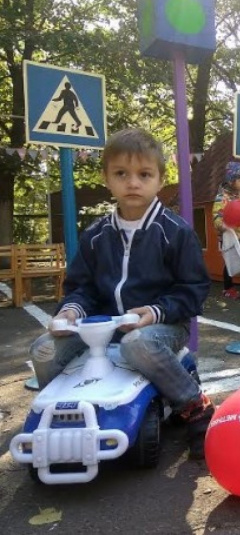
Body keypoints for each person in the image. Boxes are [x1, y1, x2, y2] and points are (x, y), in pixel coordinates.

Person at [29, 128, 214, 460]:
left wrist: (156, 311)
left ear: (159, 179)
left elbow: (194, 289)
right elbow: (81, 287)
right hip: (101, 327)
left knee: (136, 343)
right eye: (121, 174)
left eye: (144, 174)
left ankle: (194, 406)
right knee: (43, 349)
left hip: (163, 326)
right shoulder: (96, 235)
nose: (133, 183)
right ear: (107, 179)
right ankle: (59, 415)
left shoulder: (175, 233)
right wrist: (71, 312)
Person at [213, 161, 240, 299]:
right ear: (231, 181)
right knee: (231, 262)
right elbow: (217, 216)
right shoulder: (222, 198)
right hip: (229, 236)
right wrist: (223, 226)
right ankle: (228, 288)